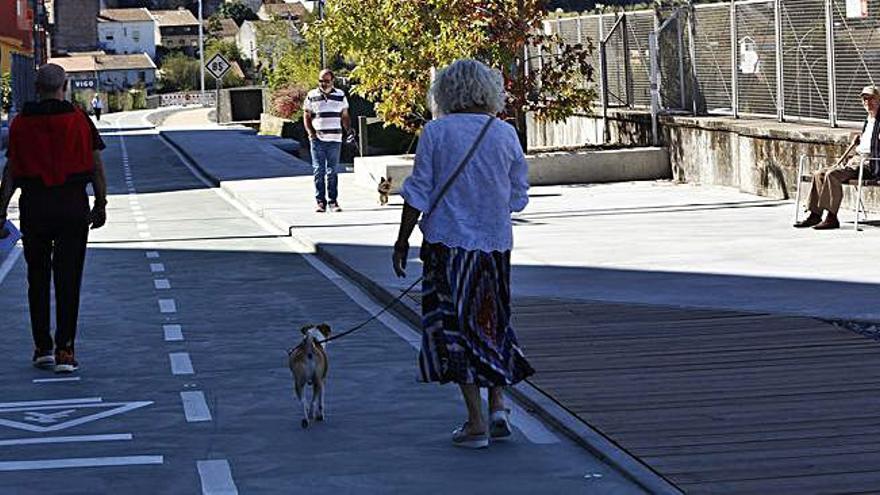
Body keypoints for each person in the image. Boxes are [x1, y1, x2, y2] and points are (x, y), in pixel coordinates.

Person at [392, 59, 535, 449]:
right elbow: (519, 196)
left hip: (448, 247)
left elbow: (417, 191)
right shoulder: (505, 133)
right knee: (492, 322)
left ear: (446, 92)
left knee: (453, 329)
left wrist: (402, 239)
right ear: (488, 90)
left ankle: (475, 424)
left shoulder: (436, 132)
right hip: (494, 247)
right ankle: (498, 405)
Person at [0, 63, 108, 373]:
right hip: (72, 206)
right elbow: (96, 166)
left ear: (36, 88)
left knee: (37, 278)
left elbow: (12, 172)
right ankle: (65, 349)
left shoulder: (20, 125)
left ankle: (42, 348)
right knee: (68, 278)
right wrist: (100, 203)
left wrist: (0, 209)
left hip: (35, 206)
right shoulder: (79, 120)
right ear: (65, 86)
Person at [795, 85, 880, 230]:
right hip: (855, 160)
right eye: (865, 99)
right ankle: (815, 215)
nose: (868, 102)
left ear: (879, 100)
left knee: (832, 175)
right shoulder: (868, 120)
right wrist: (858, 141)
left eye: (872, 99)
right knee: (819, 174)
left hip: (869, 163)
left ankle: (831, 217)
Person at [303, 69, 351, 213]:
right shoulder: (312, 95)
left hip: (335, 139)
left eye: (327, 81)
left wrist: (349, 130)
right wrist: (311, 133)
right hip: (317, 140)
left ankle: (333, 201)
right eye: (321, 81)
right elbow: (306, 115)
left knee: (333, 171)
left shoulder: (340, 95)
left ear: (332, 81)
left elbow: (345, 116)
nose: (323, 84)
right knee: (319, 171)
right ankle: (320, 202)